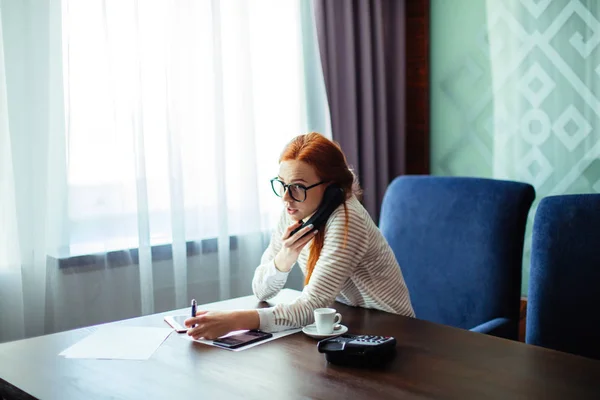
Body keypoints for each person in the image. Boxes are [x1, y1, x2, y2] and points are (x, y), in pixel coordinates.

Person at [185, 132, 414, 339]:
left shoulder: (347, 219)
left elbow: (311, 306)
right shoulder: (296, 209)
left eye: (297, 186)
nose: (286, 197)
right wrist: (285, 256)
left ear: (331, 187)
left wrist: (234, 321)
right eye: (282, 184)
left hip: (391, 333)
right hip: (350, 326)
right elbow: (261, 290)